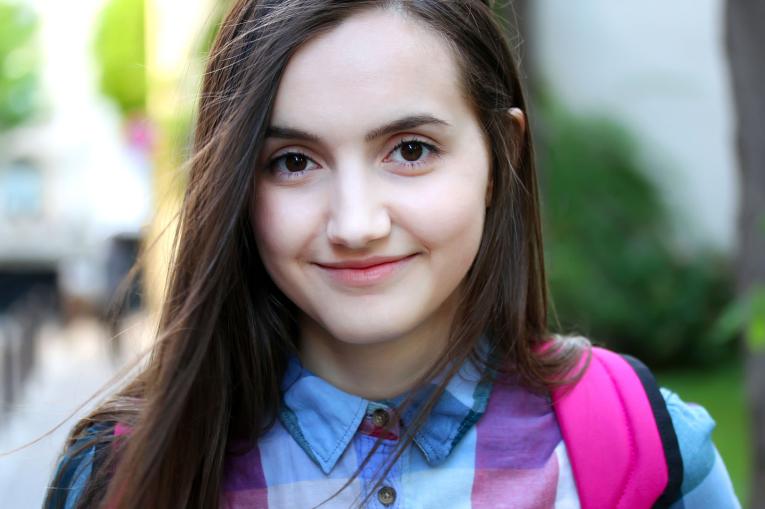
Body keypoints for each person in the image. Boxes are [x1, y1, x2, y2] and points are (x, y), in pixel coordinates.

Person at [45, 1, 741, 508]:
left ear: (501, 155)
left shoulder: (643, 446)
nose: (355, 223)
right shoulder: (122, 478)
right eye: (293, 161)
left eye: (410, 150)